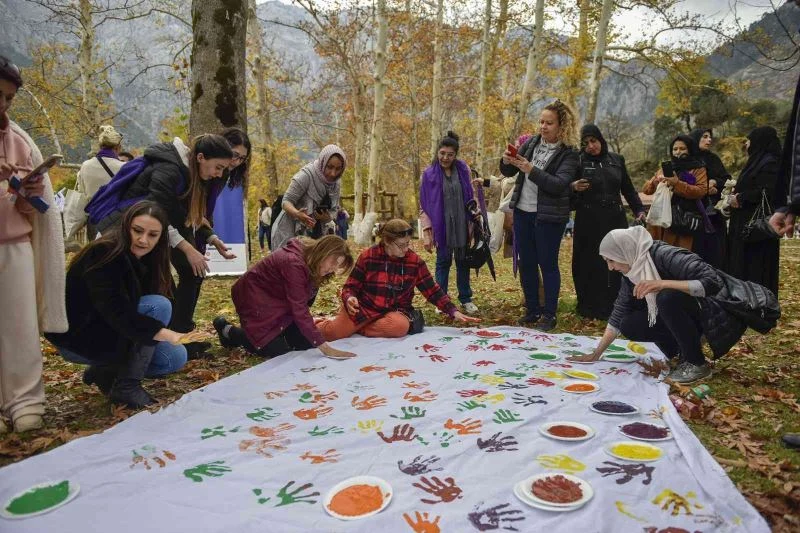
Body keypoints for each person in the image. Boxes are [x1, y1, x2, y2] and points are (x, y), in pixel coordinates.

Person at [95, 133, 235, 358]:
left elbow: (185, 215)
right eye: (218, 167)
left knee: (177, 281)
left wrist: (211, 238)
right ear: (200, 157)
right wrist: (188, 249)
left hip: (151, 234)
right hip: (126, 232)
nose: (218, 174)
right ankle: (127, 354)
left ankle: (172, 342)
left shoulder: (190, 174)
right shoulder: (169, 170)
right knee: (158, 292)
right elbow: (156, 216)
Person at [46, 202, 197, 408]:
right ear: (126, 226)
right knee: (158, 306)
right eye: (137, 231)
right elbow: (115, 311)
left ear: (161, 237)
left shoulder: (151, 257)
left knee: (175, 357)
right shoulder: (103, 252)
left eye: (152, 235)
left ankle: (106, 370)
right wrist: (165, 334)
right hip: (81, 336)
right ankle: (127, 385)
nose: (143, 240)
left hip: (114, 330)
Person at [566, 226, 748, 384]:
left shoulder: (665, 254)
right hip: (681, 311)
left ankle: (696, 362)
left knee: (666, 297)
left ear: (625, 250)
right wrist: (596, 353)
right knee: (628, 324)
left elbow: (713, 282)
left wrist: (663, 284)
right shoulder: (632, 269)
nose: (610, 268)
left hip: (712, 311)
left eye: (611, 260)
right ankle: (676, 350)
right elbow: (619, 312)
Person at [0, 56, 68, 433]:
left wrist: (30, 188)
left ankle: (24, 399)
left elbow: (32, 209)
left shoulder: (19, 141)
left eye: (9, 98)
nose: (4, 106)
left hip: (14, 244)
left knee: (19, 325)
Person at [315, 219, 479, 341]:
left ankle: (357, 328)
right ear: (386, 241)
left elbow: (432, 291)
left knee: (400, 327)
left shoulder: (414, 261)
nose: (406, 249)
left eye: (408, 244)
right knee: (333, 334)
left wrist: (453, 311)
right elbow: (350, 287)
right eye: (401, 245)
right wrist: (349, 298)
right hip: (363, 309)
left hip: (393, 313)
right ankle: (321, 323)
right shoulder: (368, 256)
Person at [499, 99, 580, 330]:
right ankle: (532, 310)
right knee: (527, 264)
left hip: (549, 217)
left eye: (549, 123)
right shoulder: (533, 142)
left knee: (548, 264)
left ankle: (549, 314)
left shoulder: (570, 153)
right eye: (541, 122)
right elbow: (509, 170)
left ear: (561, 126)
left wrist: (530, 169)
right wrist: (506, 161)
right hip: (523, 212)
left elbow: (559, 184)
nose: (543, 127)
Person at [213, 235, 356, 359]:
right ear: (324, 251)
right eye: (333, 262)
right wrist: (326, 348)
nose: (333, 269)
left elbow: (303, 303)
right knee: (275, 349)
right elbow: (299, 308)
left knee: (305, 344)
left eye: (338, 266)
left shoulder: (313, 261)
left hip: (278, 300)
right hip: (254, 298)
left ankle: (274, 332)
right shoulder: (293, 263)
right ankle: (227, 330)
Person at [571, 124, 645, 320]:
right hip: (588, 219)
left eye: (593, 141)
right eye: (586, 143)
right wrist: (574, 188)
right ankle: (588, 305)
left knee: (616, 261)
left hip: (614, 218)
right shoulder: (578, 161)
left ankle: (616, 304)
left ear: (601, 139)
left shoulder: (616, 160)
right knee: (588, 261)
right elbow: (566, 193)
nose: (591, 147)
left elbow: (628, 189)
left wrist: (639, 210)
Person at [420, 131, 481, 315]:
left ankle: (465, 298)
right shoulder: (429, 174)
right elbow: (423, 204)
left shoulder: (463, 169)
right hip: (442, 226)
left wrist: (475, 211)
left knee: (463, 261)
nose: (445, 158)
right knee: (443, 262)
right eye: (442, 153)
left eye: (450, 154)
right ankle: (442, 300)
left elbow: (472, 195)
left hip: (462, 224)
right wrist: (427, 231)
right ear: (437, 152)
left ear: (456, 155)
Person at [725, 126, 781, 295]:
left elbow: (767, 192)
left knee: (756, 266)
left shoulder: (770, 163)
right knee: (744, 266)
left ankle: (758, 306)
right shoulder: (758, 162)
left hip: (757, 228)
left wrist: (740, 198)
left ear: (758, 141)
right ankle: (745, 304)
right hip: (746, 224)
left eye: (749, 140)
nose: (747, 144)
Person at [642, 135, 710, 252]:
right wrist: (655, 181)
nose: (678, 152)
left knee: (680, 256)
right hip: (661, 219)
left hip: (683, 219)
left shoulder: (698, 168)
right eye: (675, 149)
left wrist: (677, 183)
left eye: (682, 148)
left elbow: (701, 191)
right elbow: (647, 191)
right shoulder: (666, 168)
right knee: (660, 254)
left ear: (690, 149)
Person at [271, 145, 346, 250]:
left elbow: (334, 210)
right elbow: (286, 201)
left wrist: (326, 217)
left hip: (316, 234)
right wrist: (298, 214)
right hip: (290, 231)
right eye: (329, 167)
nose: (333, 173)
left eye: (338, 169)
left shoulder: (336, 183)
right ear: (323, 162)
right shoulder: (306, 175)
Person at [689, 128, 730, 269]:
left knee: (716, 253)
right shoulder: (688, 159)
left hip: (714, 213)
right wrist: (704, 187)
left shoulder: (713, 159)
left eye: (710, 137)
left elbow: (726, 178)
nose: (709, 140)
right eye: (705, 137)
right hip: (694, 213)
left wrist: (715, 182)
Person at [75, 125, 125, 239]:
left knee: (96, 254)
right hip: (117, 220)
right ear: (117, 147)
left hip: (94, 219)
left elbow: (81, 193)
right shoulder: (124, 167)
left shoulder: (85, 166)